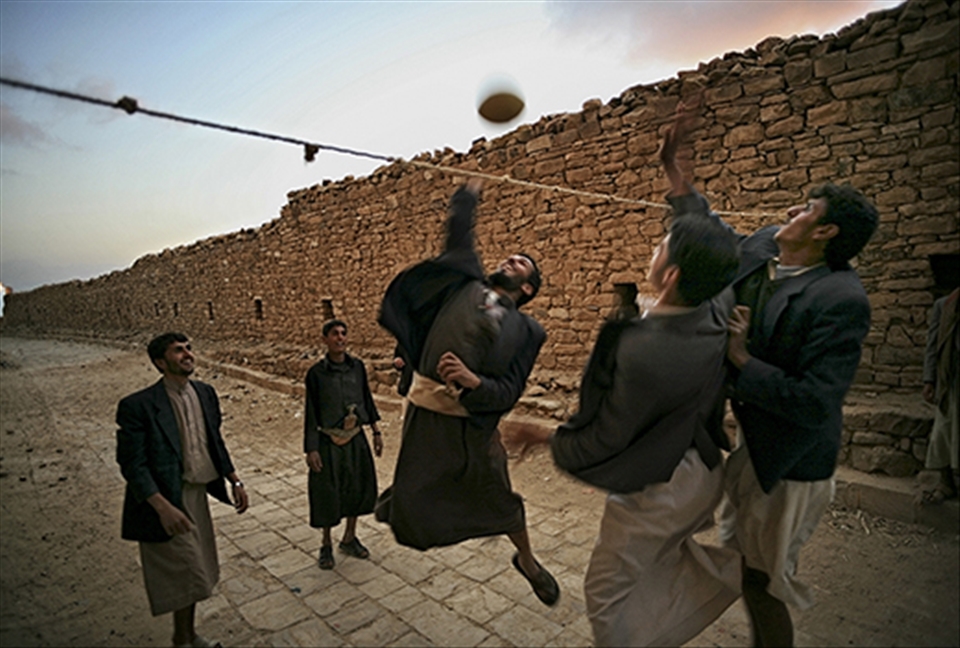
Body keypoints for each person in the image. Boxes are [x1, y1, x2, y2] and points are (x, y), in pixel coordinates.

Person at [662, 102, 879, 647]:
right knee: (743, 566)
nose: (793, 210)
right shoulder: (762, 244)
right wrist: (675, 169)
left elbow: (814, 401)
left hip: (789, 461)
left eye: (807, 208)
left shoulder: (841, 299)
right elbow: (707, 228)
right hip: (752, 445)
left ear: (825, 230)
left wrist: (742, 360)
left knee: (763, 583)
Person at [511, 208, 742, 645]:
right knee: (655, 561)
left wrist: (541, 436)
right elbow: (718, 254)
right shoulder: (716, 307)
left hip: (661, 486)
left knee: (605, 592)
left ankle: (715, 585)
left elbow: (606, 439)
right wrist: (679, 179)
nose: (652, 250)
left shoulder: (641, 349)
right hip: (704, 474)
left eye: (659, 247)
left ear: (670, 276)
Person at [376, 177, 559, 606]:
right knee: (413, 506)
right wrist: (468, 194)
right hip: (426, 418)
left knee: (499, 497)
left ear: (528, 289)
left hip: (472, 428)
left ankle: (528, 562)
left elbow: (509, 391)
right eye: (510, 257)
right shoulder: (464, 282)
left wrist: (474, 383)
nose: (511, 260)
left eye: (522, 264)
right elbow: (459, 233)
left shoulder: (528, 330)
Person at [116, 332, 249, 648]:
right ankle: (184, 639)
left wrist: (235, 479)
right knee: (187, 571)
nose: (188, 353)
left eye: (189, 348)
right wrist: (161, 506)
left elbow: (214, 442)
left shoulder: (204, 393)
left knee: (194, 571)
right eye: (178, 350)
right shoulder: (139, 406)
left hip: (195, 495)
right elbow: (132, 464)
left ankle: (184, 637)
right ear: (160, 362)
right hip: (164, 501)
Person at [303, 319, 383, 569]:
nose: (340, 338)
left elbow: (366, 399)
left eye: (343, 334)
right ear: (325, 339)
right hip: (328, 442)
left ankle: (349, 537)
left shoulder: (357, 367)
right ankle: (326, 543)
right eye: (334, 334)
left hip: (355, 437)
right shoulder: (316, 374)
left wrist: (376, 430)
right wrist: (311, 448)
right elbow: (311, 412)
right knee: (327, 491)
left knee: (357, 487)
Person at [919, 288, 959, 503]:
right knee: (944, 429)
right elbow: (933, 346)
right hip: (951, 379)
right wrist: (929, 380)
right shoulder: (945, 305)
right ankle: (946, 482)